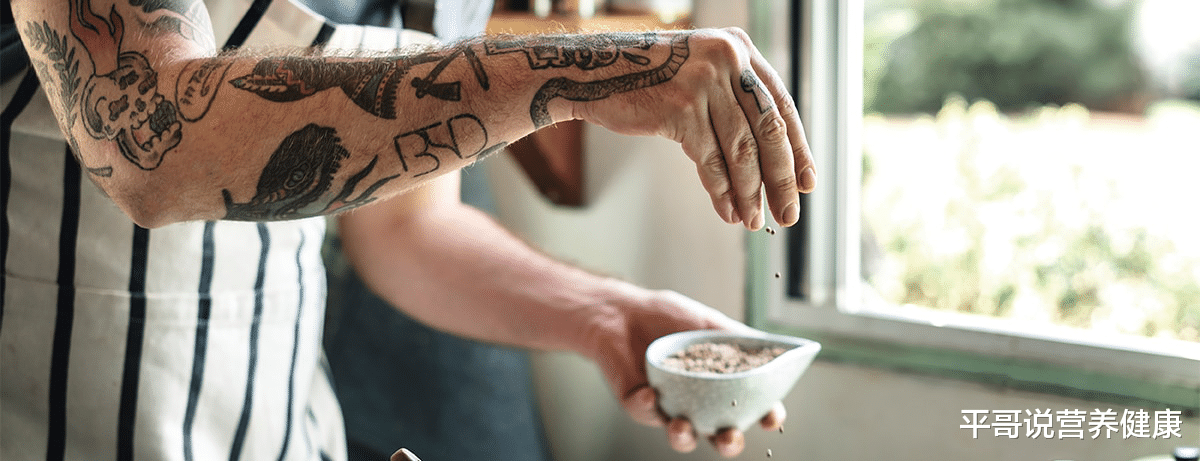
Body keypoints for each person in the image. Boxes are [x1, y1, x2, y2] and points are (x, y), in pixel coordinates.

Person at [1, 1, 816, 461]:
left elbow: (405, 223)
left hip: (281, 432)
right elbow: (158, 152)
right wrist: (570, 72)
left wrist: (606, 314)